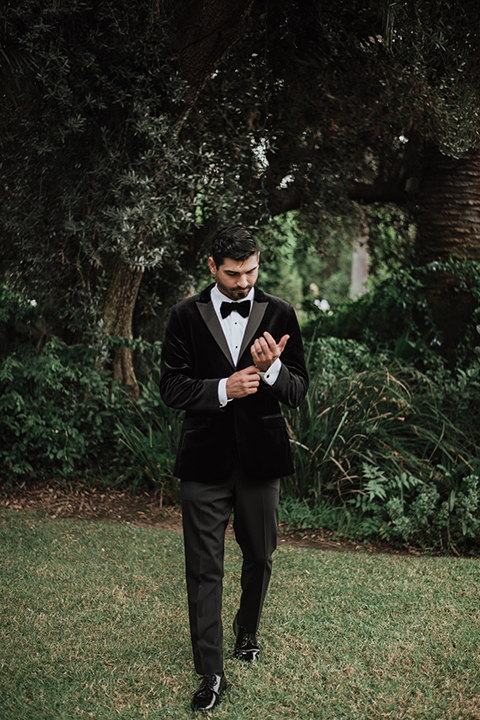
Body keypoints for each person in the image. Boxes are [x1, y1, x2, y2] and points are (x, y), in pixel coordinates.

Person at [160, 225, 308, 712]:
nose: (244, 282)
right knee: (204, 569)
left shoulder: (281, 313)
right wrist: (225, 388)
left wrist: (270, 371)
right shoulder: (183, 316)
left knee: (261, 556)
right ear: (211, 268)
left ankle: (248, 629)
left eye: (251, 271)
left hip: (262, 460)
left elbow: (298, 391)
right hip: (203, 462)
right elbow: (172, 389)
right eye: (232, 274)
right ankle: (211, 672)